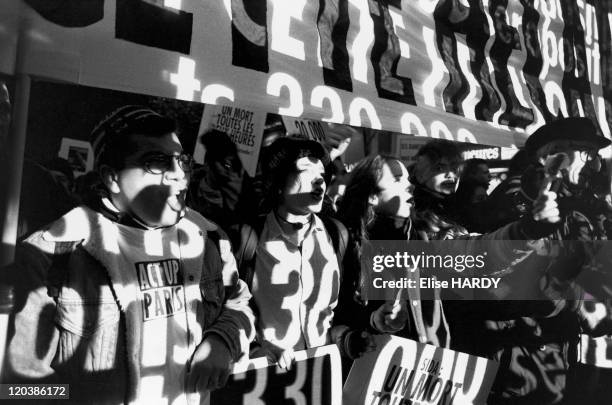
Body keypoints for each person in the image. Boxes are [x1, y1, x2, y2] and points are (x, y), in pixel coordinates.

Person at [3, 105, 255, 404]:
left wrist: (223, 341)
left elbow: (240, 305)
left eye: (181, 161)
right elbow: (20, 388)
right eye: (157, 162)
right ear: (112, 178)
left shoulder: (208, 238)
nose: (179, 176)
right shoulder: (52, 252)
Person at [447, 117, 612, 404]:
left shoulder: (582, 210)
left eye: (596, 156)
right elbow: (493, 281)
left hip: (559, 359)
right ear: (554, 155)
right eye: (587, 153)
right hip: (511, 363)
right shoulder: (512, 203)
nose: (594, 165)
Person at [237, 135, 364, 370]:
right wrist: (256, 349)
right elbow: (230, 311)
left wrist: (346, 337)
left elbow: (341, 310)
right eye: (306, 171)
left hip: (324, 375)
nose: (320, 182)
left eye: (322, 175)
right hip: (270, 378)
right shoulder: (247, 238)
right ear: (278, 182)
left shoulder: (337, 235)